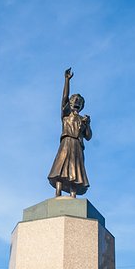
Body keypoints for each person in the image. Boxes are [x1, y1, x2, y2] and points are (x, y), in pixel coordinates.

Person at [48, 67, 92, 198]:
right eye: (74, 101)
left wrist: (87, 124)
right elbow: (64, 98)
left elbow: (88, 136)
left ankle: (73, 194)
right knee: (61, 167)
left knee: (75, 169)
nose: (76, 103)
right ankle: (58, 192)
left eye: (79, 102)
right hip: (66, 142)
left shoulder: (82, 119)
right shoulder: (66, 114)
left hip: (78, 146)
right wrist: (67, 81)